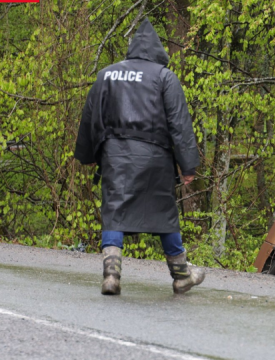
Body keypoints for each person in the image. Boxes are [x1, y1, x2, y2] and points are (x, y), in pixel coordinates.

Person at [74, 18, 204, 295]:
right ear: (158, 52)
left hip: (116, 156)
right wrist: (188, 165)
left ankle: (111, 274)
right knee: (164, 213)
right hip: (155, 158)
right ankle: (181, 276)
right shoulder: (164, 77)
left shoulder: (106, 75)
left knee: (114, 211)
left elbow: (91, 117)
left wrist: (90, 154)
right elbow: (179, 124)